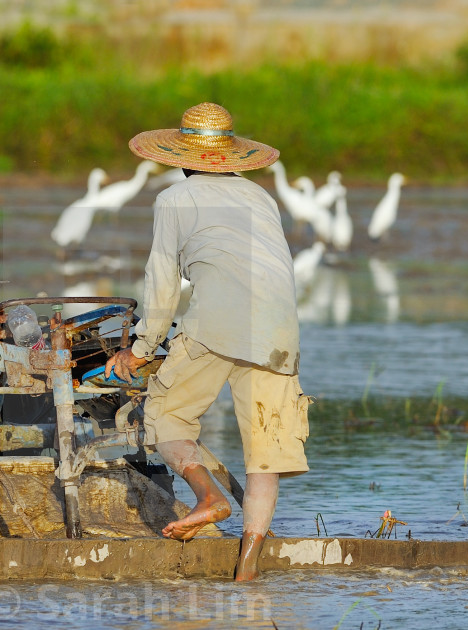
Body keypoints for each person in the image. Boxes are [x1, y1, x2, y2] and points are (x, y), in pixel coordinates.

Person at [104, 102, 310, 581]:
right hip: (280, 331)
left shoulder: (174, 200)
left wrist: (138, 349)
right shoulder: (262, 198)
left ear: (182, 158)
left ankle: (208, 496)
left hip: (217, 326)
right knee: (266, 452)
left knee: (164, 415)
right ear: (232, 157)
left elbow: (162, 283)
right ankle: (248, 570)